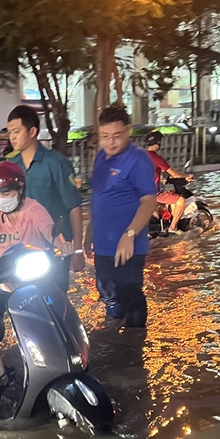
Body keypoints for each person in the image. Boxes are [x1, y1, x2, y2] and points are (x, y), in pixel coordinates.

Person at [84, 105, 157, 332]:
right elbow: (100, 197)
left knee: (130, 295)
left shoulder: (138, 160)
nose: (111, 142)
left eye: (117, 136)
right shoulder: (100, 158)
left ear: (128, 131)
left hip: (128, 245)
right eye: (105, 136)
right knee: (106, 292)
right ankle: (113, 341)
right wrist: (89, 232)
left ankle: (135, 350)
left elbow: (149, 201)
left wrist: (130, 234)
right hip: (104, 244)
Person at [0, 162, 73, 312]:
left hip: (34, 280)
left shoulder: (33, 208)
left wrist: (61, 244)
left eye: (6, 193)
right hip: (0, 282)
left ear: (20, 189)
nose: (1, 199)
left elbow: (49, 230)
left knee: (58, 313)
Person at [6, 105, 84, 289]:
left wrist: (78, 250)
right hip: (23, 247)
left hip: (55, 247)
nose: (12, 137)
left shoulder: (56, 163)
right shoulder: (12, 166)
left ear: (32, 131)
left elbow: (74, 206)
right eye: (10, 132)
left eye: (16, 131)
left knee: (54, 300)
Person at [145, 131, 195, 234]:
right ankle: (173, 227)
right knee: (180, 201)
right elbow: (174, 174)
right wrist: (187, 176)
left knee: (162, 205)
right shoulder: (155, 157)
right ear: (158, 142)